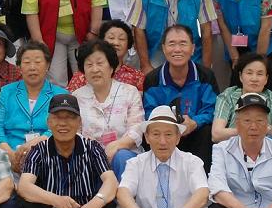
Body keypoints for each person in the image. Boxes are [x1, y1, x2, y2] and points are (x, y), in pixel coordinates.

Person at [141, 25, 217, 166]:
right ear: (163, 48)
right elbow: (149, 112)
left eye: (183, 44)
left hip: (196, 132)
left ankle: (202, 181)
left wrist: (194, 122)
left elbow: (211, 109)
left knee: (207, 131)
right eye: (172, 44)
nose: (177, 49)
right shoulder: (153, 79)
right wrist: (170, 125)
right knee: (150, 132)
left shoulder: (205, 75)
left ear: (193, 48)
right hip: (166, 133)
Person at [71, 38, 145, 178]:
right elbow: (76, 133)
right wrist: (96, 154)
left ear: (111, 66)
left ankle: (124, 198)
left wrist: (117, 146)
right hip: (89, 158)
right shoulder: (76, 97)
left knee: (121, 156)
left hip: (124, 155)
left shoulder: (129, 92)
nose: (95, 69)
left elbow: (136, 129)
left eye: (100, 63)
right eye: (89, 64)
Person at [0, 41, 63, 173]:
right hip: (8, 155)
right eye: (27, 62)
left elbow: (62, 126)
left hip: (48, 155)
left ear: (47, 65)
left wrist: (38, 144)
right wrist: (11, 155)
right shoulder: (6, 92)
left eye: (38, 62)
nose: (32, 67)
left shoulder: (61, 95)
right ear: (19, 67)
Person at [212, 54, 272, 142]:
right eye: (249, 73)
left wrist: (262, 129)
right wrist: (245, 130)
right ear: (240, 76)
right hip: (235, 143)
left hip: (265, 142)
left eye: (260, 74)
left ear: (266, 78)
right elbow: (216, 134)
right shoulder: (228, 96)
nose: (254, 78)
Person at [85, 19, 146, 91]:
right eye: (111, 38)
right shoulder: (84, 75)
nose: (116, 43)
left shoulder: (137, 77)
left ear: (128, 45)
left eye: (121, 39)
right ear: (101, 41)